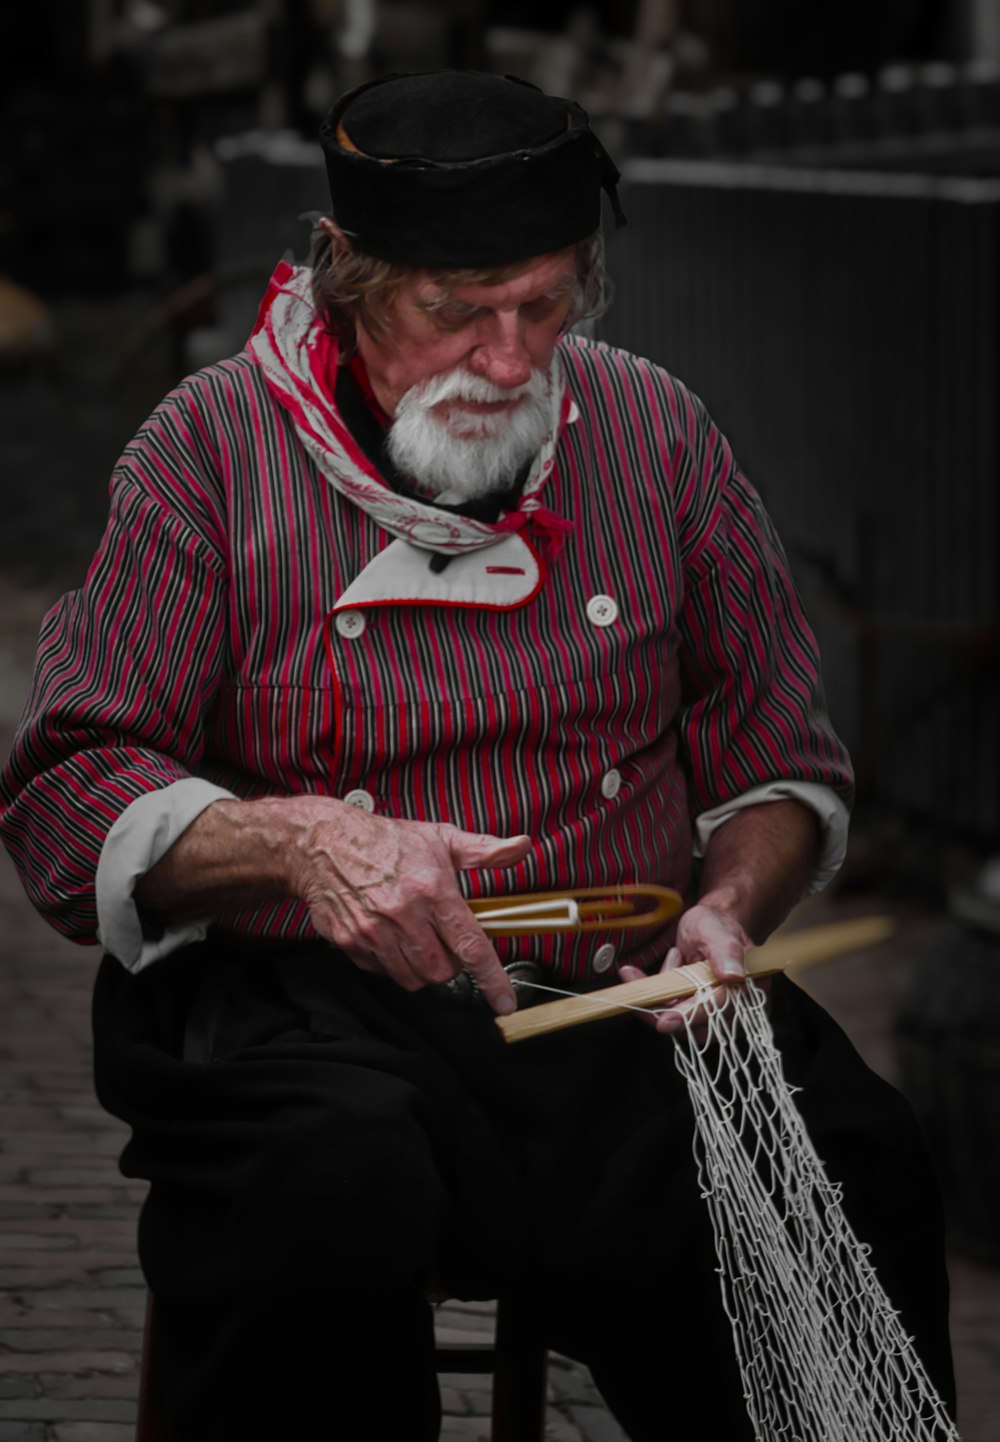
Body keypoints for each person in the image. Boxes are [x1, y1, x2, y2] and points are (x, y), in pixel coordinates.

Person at [0, 70, 954, 1440]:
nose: (510, 359)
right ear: (347, 283)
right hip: (307, 1011)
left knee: (849, 1155)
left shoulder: (654, 435)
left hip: (619, 995)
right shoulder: (207, 452)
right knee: (322, 1197)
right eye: (455, 311)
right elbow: (68, 784)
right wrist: (308, 841)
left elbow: (776, 749)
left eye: (547, 304)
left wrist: (734, 903)